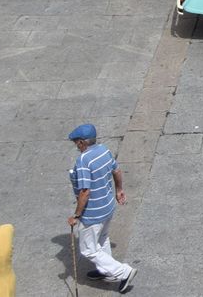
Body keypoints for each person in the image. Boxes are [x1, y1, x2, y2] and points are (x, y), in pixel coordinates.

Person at [66, 122, 136, 292]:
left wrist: (76, 215)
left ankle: (123, 271)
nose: (76, 146)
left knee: (89, 250)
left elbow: (85, 191)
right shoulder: (104, 150)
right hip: (108, 206)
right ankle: (105, 271)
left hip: (93, 213)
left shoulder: (83, 160)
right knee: (102, 239)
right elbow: (117, 171)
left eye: (77, 142)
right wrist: (119, 190)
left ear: (82, 142)